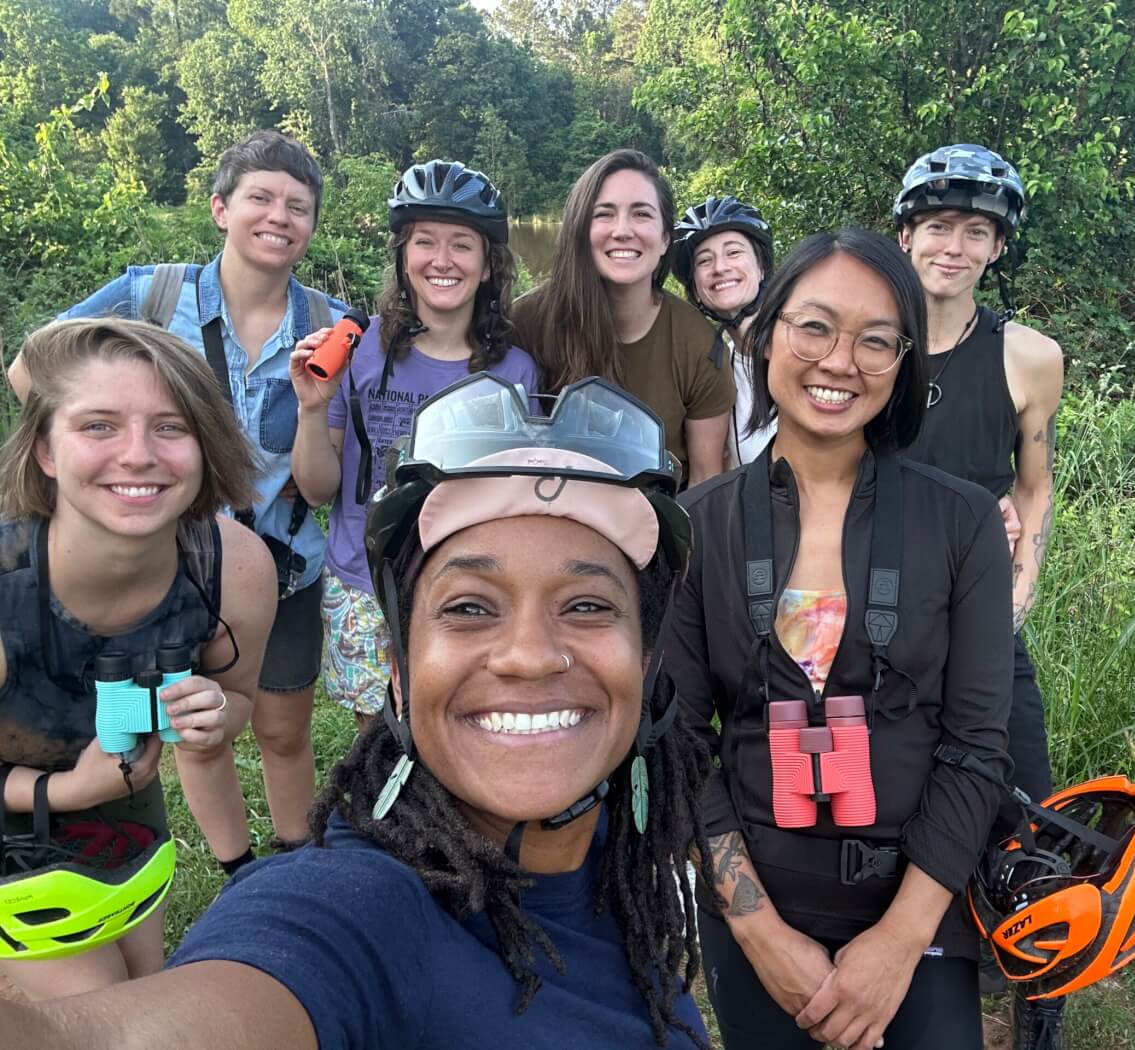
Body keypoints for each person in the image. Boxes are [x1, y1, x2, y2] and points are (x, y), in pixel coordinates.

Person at [0, 372, 716, 1049]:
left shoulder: (628, 862)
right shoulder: (353, 909)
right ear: (397, 670)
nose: (529, 655)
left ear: (646, 659)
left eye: (588, 606)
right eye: (469, 608)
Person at [661, 229, 1014, 1050]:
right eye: (814, 327)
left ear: (903, 363)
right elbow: (678, 741)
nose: (840, 361)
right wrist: (759, 933)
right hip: (758, 909)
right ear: (767, 332)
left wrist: (897, 943)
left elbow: (975, 744)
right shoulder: (698, 527)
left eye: (876, 340)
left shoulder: (961, 522)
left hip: (918, 906)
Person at [8, 130, 349, 850]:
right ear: (221, 208)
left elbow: (328, 474)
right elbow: (30, 370)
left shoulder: (328, 324)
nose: (279, 217)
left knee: (281, 727)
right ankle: (236, 864)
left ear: (313, 226)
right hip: (171, 563)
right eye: (260, 198)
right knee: (196, 734)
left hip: (283, 561)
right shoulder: (151, 294)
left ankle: (297, 857)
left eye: (298, 206)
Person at [0, 318, 276, 999]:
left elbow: (238, 697)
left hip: (125, 823)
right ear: (44, 450)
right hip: (19, 831)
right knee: (106, 1014)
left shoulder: (233, 567)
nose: (138, 455)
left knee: (145, 983)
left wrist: (215, 716)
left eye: (171, 426)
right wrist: (60, 791)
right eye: (98, 426)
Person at [892, 144, 1066, 1048]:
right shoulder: (870, 339)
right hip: (880, 622)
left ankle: (1041, 1004)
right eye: (937, 227)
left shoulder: (1029, 358)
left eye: (975, 231)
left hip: (982, 617)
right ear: (907, 233)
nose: (952, 246)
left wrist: (1023, 581)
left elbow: (1031, 485)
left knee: (1028, 809)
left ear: (997, 247)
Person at [290, 160, 538, 727]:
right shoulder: (357, 347)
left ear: (487, 265)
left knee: (456, 733)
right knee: (375, 743)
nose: (442, 260)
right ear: (404, 256)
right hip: (362, 581)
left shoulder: (514, 372)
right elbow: (317, 485)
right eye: (425, 241)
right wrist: (310, 406)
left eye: (462, 245)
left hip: (462, 586)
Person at [511, 149, 733, 487]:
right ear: (580, 230)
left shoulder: (698, 343)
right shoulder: (527, 322)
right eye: (604, 214)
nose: (623, 230)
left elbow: (706, 479)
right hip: (544, 518)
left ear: (664, 240)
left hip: (653, 527)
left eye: (642, 214)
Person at [671, 195, 776, 467]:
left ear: (761, 267)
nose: (720, 268)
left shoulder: (801, 348)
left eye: (734, 252)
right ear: (695, 287)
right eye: (705, 261)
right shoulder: (714, 368)